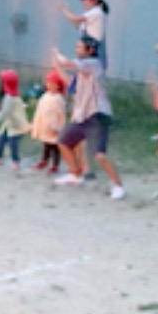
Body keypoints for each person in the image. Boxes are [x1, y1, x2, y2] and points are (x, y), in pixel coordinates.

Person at [52, 35, 126, 199]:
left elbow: (69, 63)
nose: (77, 49)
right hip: (83, 116)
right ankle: (75, 174)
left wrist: (57, 55)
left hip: (97, 115)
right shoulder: (81, 71)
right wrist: (57, 66)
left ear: (90, 50)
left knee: (99, 154)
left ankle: (118, 185)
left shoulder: (93, 63)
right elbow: (70, 81)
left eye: (80, 47)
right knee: (63, 141)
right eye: (77, 47)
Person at [59, 0, 110, 66]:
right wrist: (66, 11)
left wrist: (64, 9)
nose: (83, 2)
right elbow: (77, 24)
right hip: (87, 50)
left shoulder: (96, 12)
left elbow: (74, 18)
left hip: (92, 49)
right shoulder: (90, 14)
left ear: (94, 0)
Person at [0, 69, 28, 169]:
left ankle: (15, 161)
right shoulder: (10, 96)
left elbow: (6, 111)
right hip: (9, 124)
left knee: (13, 143)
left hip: (16, 125)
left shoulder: (10, 97)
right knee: (1, 140)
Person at [30, 71, 66, 172]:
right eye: (48, 83)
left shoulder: (58, 99)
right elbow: (40, 110)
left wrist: (57, 127)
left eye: (52, 83)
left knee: (55, 146)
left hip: (53, 127)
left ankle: (55, 164)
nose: (49, 85)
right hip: (44, 125)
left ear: (58, 86)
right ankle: (44, 160)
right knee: (46, 145)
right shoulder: (45, 96)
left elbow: (59, 115)